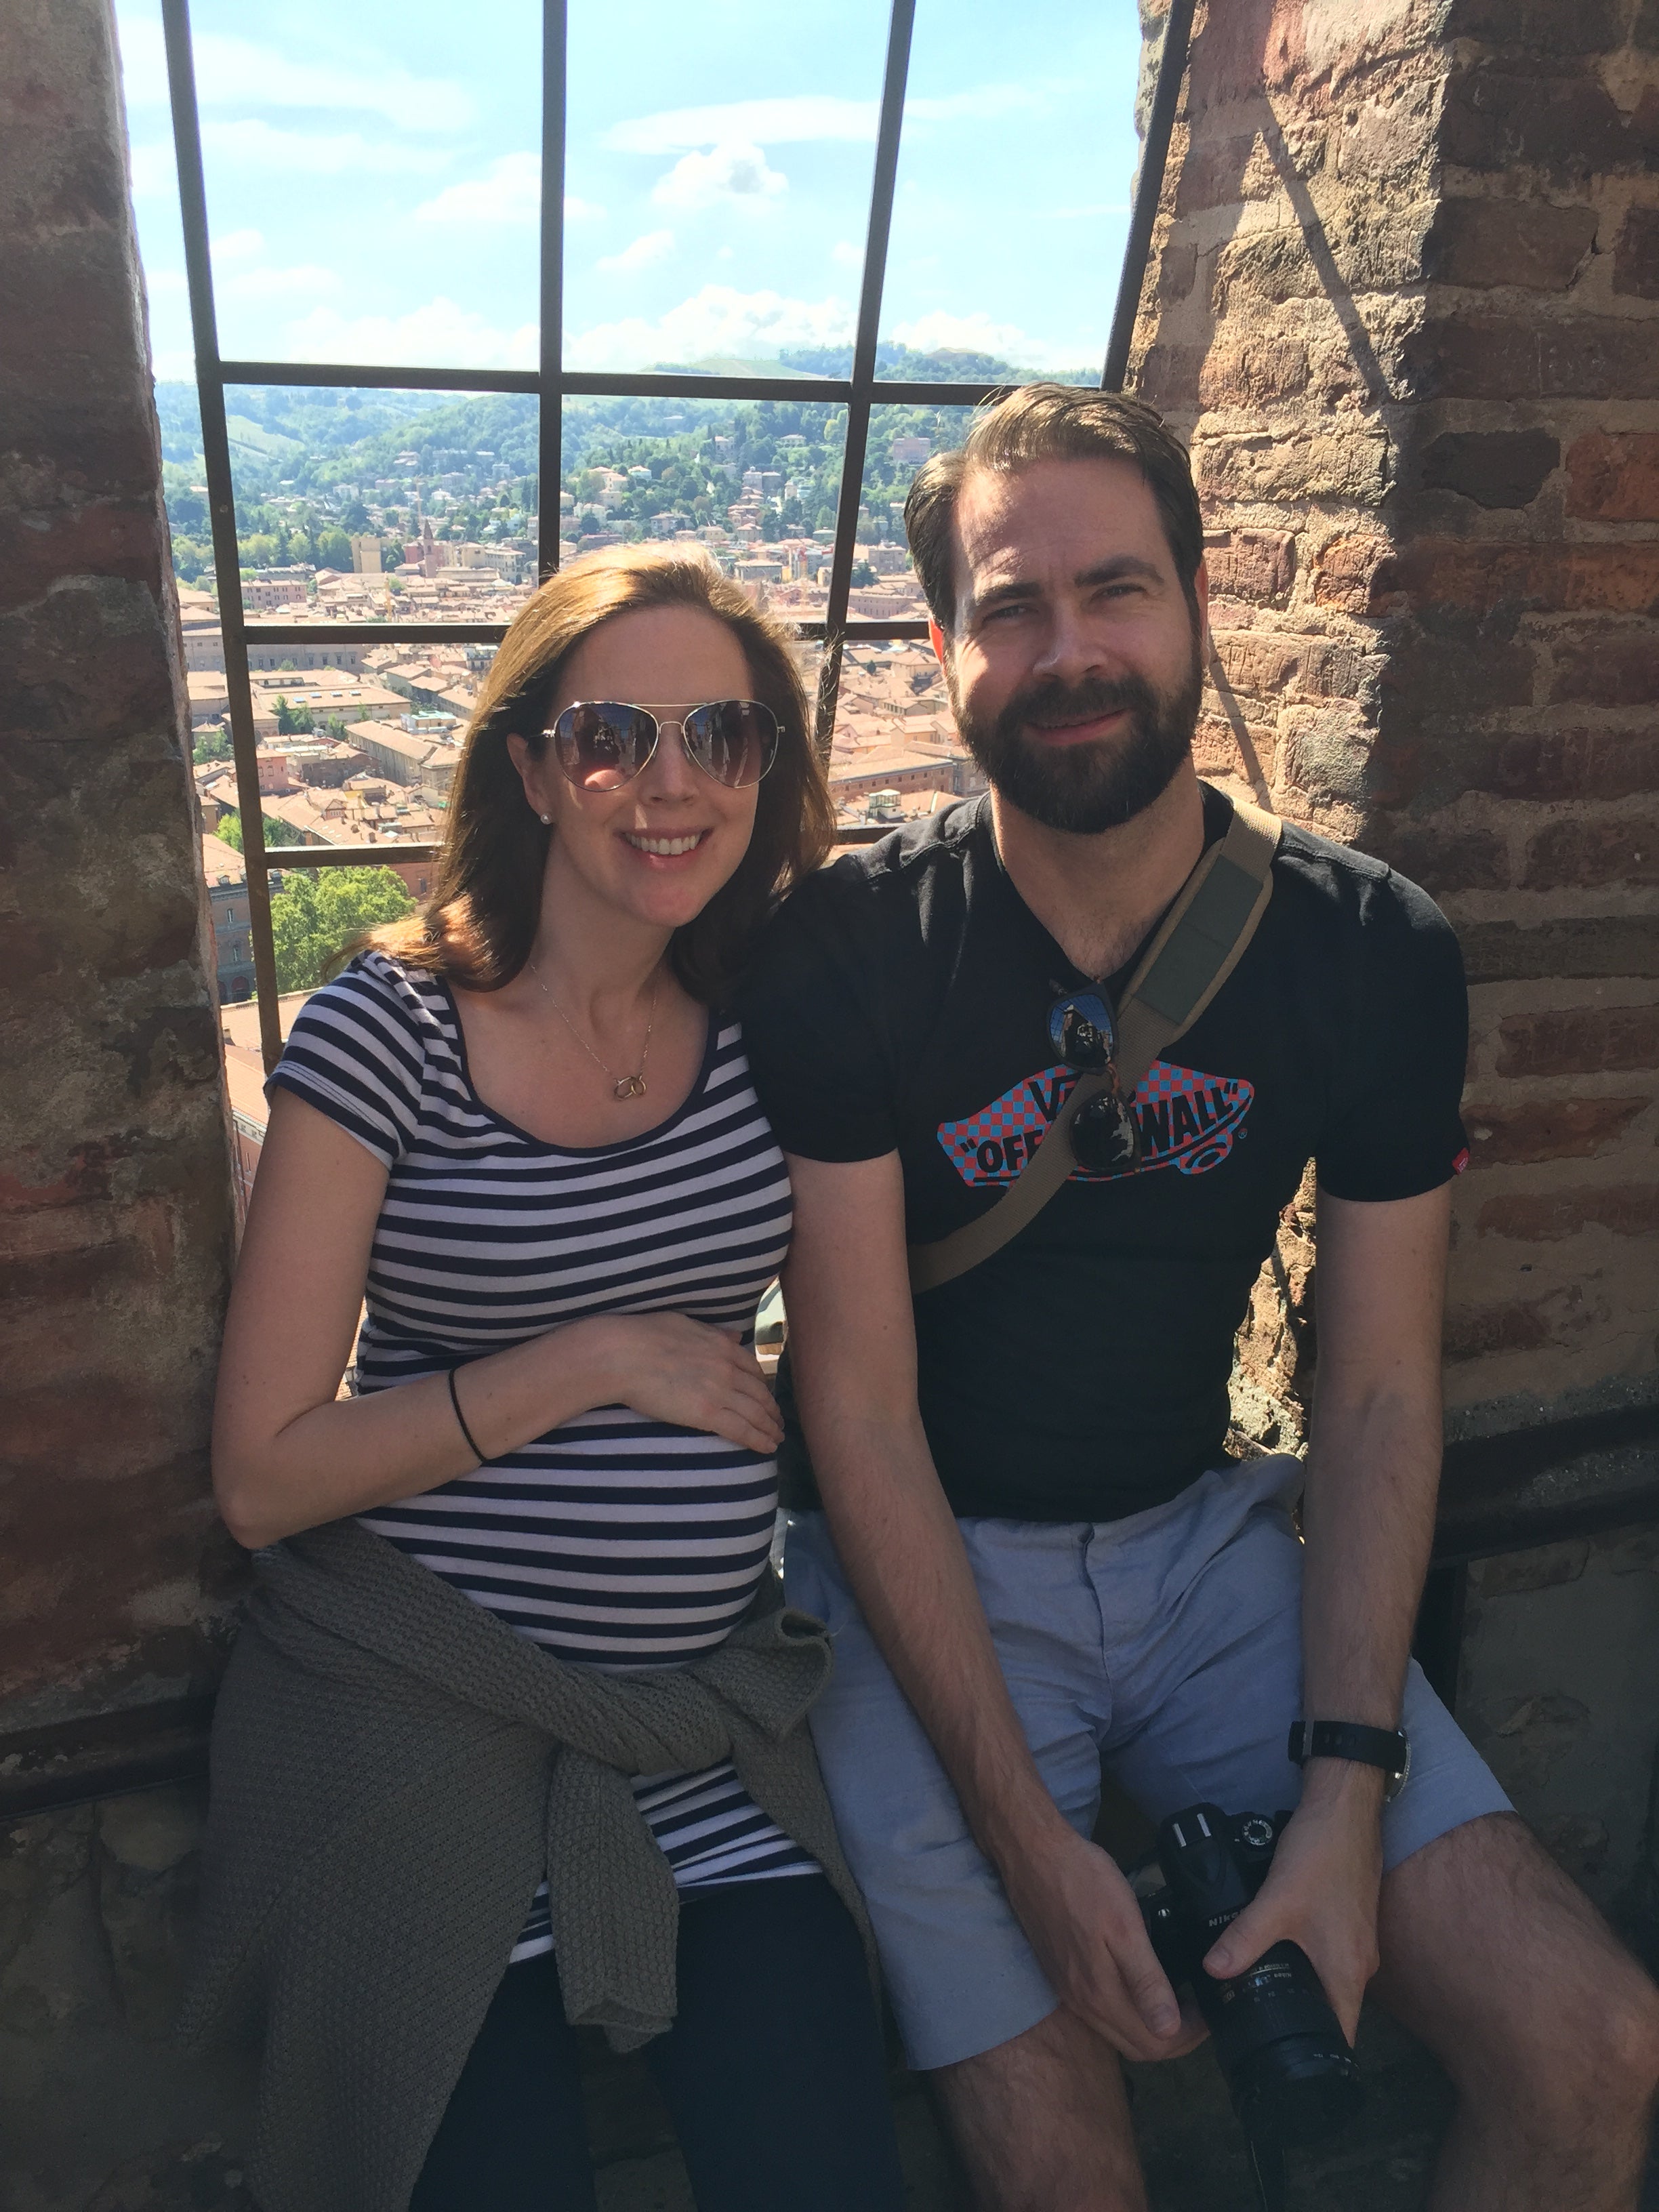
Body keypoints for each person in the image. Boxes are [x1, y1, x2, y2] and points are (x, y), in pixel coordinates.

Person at [737, 386, 1659, 2210]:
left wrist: (1347, 1789)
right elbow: (854, 1410)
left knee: (1595, 2050)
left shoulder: (1366, 951)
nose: (1068, 652)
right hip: (927, 1561)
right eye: (1010, 611)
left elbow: (1381, 1391)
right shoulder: (852, 956)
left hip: (1204, 1548)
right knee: (1066, 2173)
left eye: (1116, 591)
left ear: (1200, 604)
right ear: (943, 654)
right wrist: (1025, 1839)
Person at [201, 549, 905, 2212]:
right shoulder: (386, 1034)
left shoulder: (767, 1025)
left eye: (721, 739)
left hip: (696, 1727)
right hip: (412, 1708)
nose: (670, 787)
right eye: (612, 736)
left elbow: (869, 1365)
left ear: (766, 770)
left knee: (827, 2164)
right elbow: (263, 1475)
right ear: (528, 766)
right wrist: (586, 1364)